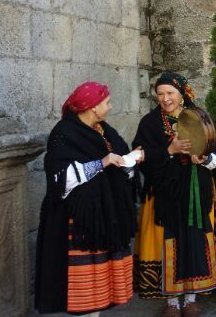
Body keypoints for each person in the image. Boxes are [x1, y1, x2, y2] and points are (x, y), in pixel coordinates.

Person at [35, 82, 138, 315]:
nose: (110, 107)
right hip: (80, 223)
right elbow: (60, 178)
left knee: (100, 291)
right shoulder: (64, 133)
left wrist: (130, 160)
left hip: (104, 217)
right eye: (107, 103)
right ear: (92, 107)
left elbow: (118, 155)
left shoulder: (104, 130)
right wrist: (101, 163)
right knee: (84, 292)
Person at [133, 72, 216, 317]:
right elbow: (141, 157)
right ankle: (172, 303)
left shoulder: (199, 116)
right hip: (164, 195)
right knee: (168, 242)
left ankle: (191, 299)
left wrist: (203, 157)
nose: (165, 98)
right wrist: (169, 150)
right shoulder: (150, 123)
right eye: (160, 94)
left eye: (170, 93)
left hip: (196, 191)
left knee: (193, 240)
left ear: (182, 93)